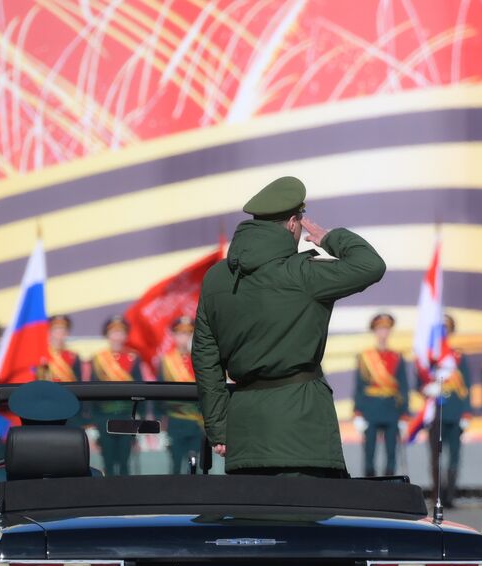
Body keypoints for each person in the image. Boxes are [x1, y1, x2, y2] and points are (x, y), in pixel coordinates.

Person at [193, 175, 387, 476]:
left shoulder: (216, 278)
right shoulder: (303, 274)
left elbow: (205, 358)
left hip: (245, 432)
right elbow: (371, 265)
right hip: (303, 431)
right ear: (294, 223)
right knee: (307, 508)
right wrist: (329, 238)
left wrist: (219, 427)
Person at [420, 314, 471, 506]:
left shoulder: (457, 356)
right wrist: (427, 388)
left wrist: (466, 413)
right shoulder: (428, 357)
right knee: (435, 458)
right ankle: (437, 495)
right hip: (435, 413)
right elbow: (419, 383)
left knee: (454, 457)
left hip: (455, 412)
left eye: (446, 329)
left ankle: (450, 496)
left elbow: (466, 386)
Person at [352, 312, 409, 477]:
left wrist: (404, 413)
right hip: (371, 408)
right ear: (375, 331)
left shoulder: (397, 357)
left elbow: (403, 386)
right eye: (380, 329)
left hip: (391, 408)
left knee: (391, 454)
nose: (383, 332)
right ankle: (370, 489)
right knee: (369, 453)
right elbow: (360, 386)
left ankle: (390, 488)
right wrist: (358, 412)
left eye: (386, 329)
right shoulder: (365, 357)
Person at [89, 314, 143, 475]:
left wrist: (138, 417)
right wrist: (92, 419)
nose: (117, 336)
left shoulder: (133, 358)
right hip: (104, 416)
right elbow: (92, 390)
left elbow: (140, 388)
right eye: (113, 332)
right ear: (107, 334)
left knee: (125, 462)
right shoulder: (98, 359)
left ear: (126, 335)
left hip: (126, 416)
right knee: (108, 461)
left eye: (121, 332)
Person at [159, 315, 204, 473]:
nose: (185, 337)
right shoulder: (167, 361)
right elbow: (159, 393)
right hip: (175, 420)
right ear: (174, 335)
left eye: (189, 333)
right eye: (181, 333)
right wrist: (160, 420)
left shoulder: (201, 359)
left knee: (194, 465)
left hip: (198, 422)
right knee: (176, 465)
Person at [37, 314, 83, 382]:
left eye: (63, 329)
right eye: (56, 329)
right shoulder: (41, 354)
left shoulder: (72, 356)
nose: (60, 332)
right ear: (49, 331)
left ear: (67, 333)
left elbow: (78, 381)